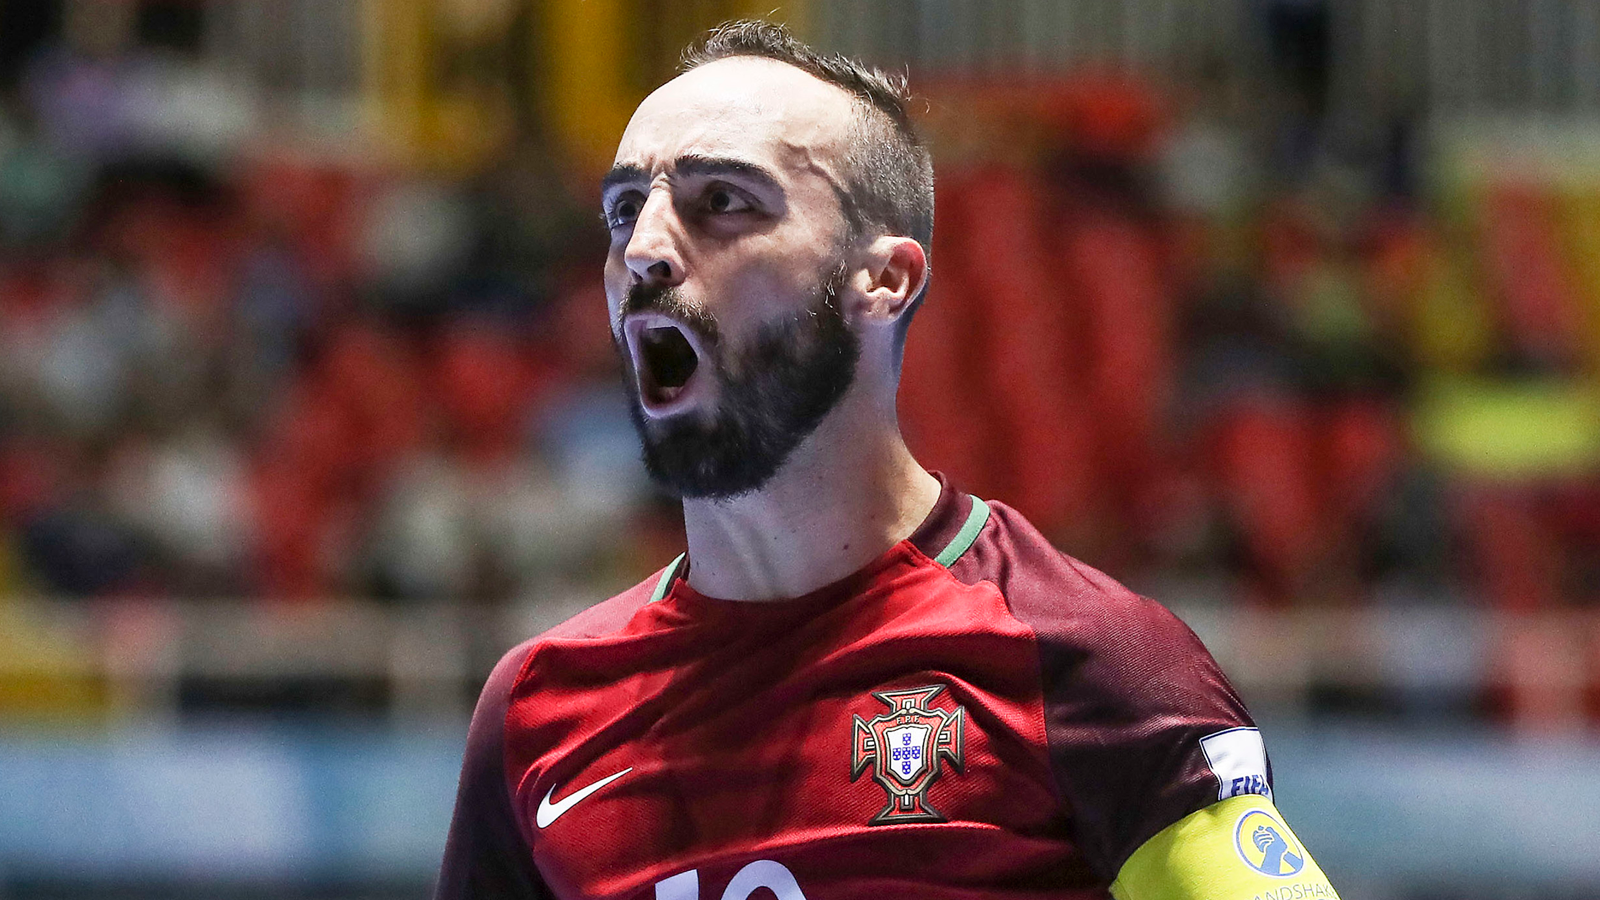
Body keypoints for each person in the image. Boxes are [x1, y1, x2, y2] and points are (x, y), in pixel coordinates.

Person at [435, 20, 1340, 900]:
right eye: (624, 209)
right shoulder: (536, 713)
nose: (643, 250)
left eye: (724, 202)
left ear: (885, 279)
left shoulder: (1086, 662)